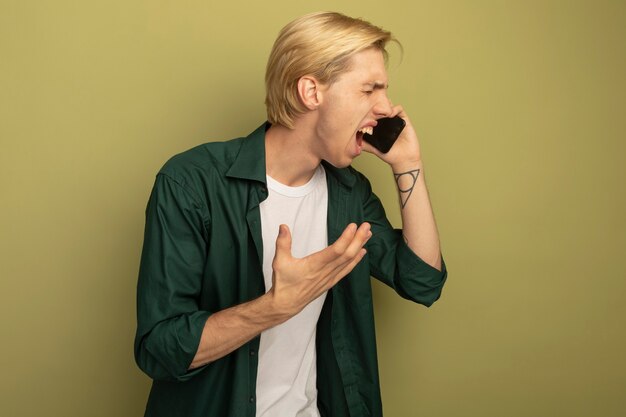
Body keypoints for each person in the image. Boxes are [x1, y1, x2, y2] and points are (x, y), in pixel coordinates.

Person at [134, 11, 447, 417]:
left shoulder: (349, 193)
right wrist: (275, 306)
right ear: (311, 92)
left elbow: (422, 281)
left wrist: (408, 163)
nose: (386, 108)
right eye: (370, 89)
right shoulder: (191, 184)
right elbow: (159, 349)